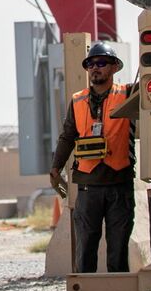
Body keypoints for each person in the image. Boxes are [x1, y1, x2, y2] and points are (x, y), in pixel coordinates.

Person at [51, 40, 136, 274]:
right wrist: (56, 167)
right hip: (89, 186)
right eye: (90, 64)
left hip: (120, 183)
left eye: (101, 63)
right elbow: (67, 136)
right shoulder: (78, 100)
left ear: (115, 67)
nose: (95, 68)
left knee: (118, 246)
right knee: (86, 245)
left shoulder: (128, 93)